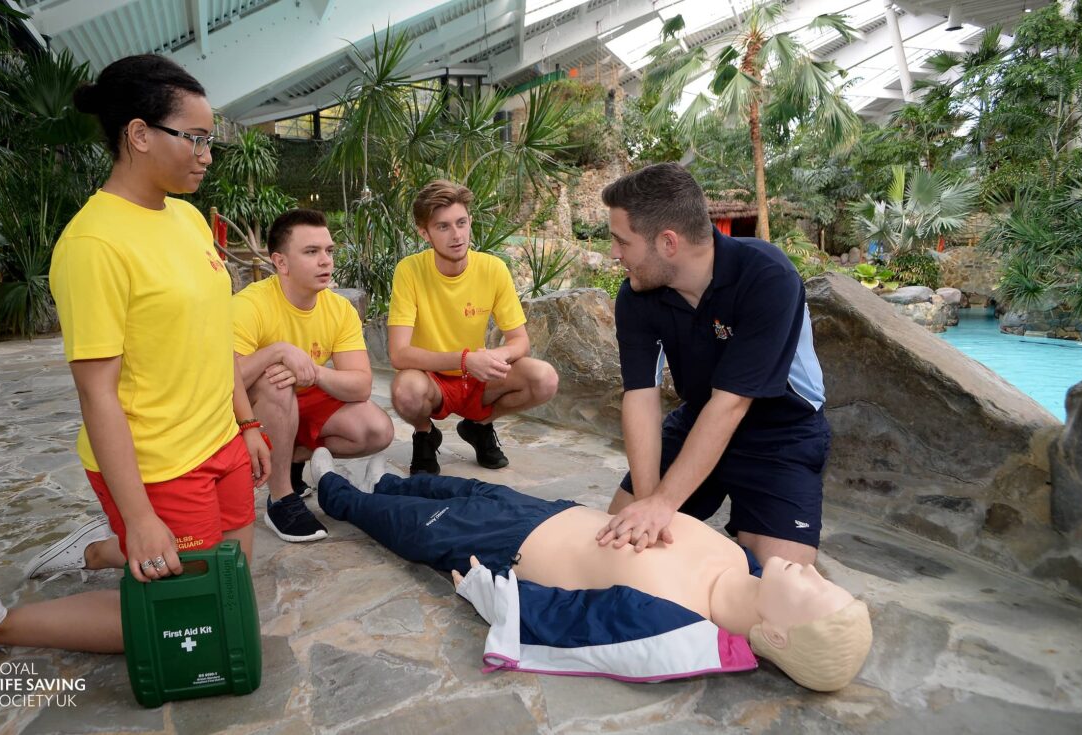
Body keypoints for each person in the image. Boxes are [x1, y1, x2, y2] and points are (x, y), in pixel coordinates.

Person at [0, 54, 269, 653]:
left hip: (219, 440)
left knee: (234, 590)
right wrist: (142, 515)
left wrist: (246, 421)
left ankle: (102, 549)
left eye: (210, 139)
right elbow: (97, 393)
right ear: (140, 135)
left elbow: (214, 333)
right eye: (195, 138)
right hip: (159, 464)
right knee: (192, 624)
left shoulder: (190, 219)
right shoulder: (93, 244)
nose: (207, 153)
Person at [312, 450, 872, 692]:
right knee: (466, 488)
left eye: (812, 592)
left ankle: (334, 491)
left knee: (416, 525)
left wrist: (494, 594)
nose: (812, 573)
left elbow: (576, 623)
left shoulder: (675, 619)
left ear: (774, 633)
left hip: (504, 548)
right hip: (553, 515)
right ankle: (388, 481)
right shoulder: (741, 562)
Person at [596, 163, 830, 567]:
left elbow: (733, 403)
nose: (614, 254)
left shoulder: (767, 275)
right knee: (618, 546)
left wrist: (666, 502)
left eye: (621, 241)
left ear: (668, 242)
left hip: (779, 433)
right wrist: (652, 503)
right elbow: (640, 397)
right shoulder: (637, 295)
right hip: (697, 419)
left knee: (777, 589)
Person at [232, 207, 394, 543]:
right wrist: (277, 352)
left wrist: (314, 373)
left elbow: (361, 385)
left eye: (329, 251)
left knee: (376, 429)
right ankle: (281, 499)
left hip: (300, 409)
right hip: (248, 416)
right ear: (281, 263)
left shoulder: (338, 309)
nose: (326, 261)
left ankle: (287, 459)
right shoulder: (249, 305)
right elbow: (224, 380)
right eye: (311, 252)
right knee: (274, 379)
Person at [388, 180, 559, 475]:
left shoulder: (492, 268)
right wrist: (465, 359)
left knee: (544, 378)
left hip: (478, 379)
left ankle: (478, 426)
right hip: (432, 378)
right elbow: (399, 354)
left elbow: (520, 342)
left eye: (461, 223)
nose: (456, 235)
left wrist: (494, 358)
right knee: (405, 391)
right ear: (424, 233)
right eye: (443, 227)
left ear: (470, 222)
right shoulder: (410, 270)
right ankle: (425, 433)